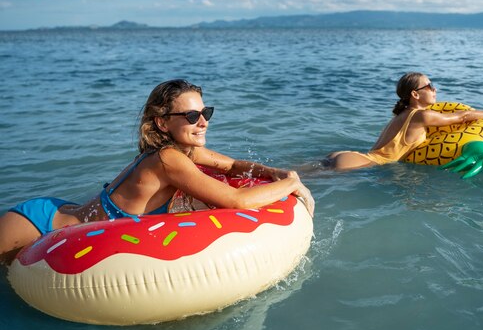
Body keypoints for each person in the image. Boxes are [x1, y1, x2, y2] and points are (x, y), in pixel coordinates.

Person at [0, 79, 315, 264]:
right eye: (192, 115)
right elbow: (235, 201)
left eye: (206, 112)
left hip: (62, 212)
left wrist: (275, 171)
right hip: (41, 223)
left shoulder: (183, 152)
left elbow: (233, 165)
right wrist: (290, 183)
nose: (203, 121)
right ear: (163, 122)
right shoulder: (168, 160)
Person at [325, 72, 483, 170]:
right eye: (429, 86)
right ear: (415, 94)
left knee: (304, 176)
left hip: (353, 156)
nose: (435, 89)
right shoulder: (421, 115)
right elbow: (462, 116)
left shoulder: (401, 115)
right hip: (364, 162)